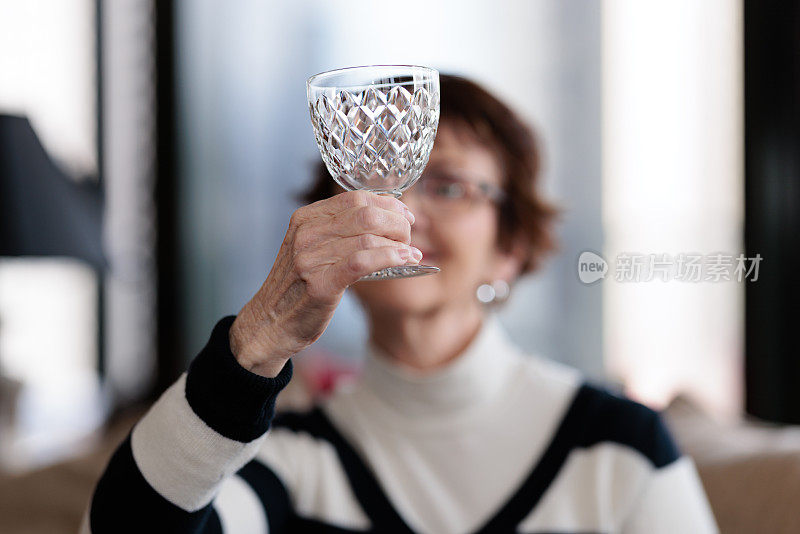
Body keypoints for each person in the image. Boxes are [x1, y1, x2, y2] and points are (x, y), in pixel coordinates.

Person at [84, 75, 718, 533]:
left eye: (448, 185)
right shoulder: (292, 456)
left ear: (511, 247)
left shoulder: (618, 448)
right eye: (372, 186)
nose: (403, 213)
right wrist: (256, 342)